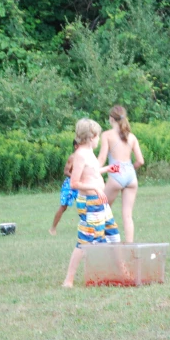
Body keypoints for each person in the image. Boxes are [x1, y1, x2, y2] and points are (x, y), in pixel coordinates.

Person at [62, 119, 121, 287]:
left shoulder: (89, 153)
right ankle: (69, 280)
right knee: (86, 240)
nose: (99, 140)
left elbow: (92, 172)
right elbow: (75, 182)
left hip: (100, 200)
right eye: (97, 137)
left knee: (112, 233)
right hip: (90, 201)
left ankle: (118, 271)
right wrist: (95, 189)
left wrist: (108, 169)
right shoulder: (80, 155)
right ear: (91, 136)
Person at [97, 105, 145, 243]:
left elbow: (101, 159)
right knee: (128, 215)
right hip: (130, 176)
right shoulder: (132, 137)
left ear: (111, 119)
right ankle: (129, 245)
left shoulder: (107, 135)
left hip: (116, 175)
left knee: (101, 209)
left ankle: (100, 240)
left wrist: (93, 171)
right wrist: (130, 169)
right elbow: (140, 161)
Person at [49, 141, 79, 236]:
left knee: (85, 205)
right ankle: (53, 228)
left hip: (80, 184)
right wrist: (74, 177)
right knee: (63, 206)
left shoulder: (86, 157)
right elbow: (66, 172)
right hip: (69, 185)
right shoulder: (72, 158)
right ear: (76, 146)